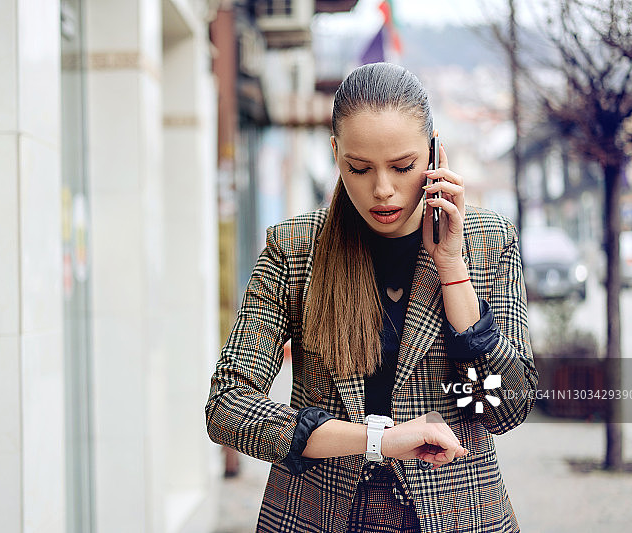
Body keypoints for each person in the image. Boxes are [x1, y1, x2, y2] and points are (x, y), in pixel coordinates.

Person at [205, 62, 538, 533]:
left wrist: (452, 269)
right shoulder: (295, 248)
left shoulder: (487, 242)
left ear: (434, 150)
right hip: (316, 515)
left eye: (403, 166)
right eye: (358, 168)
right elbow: (227, 408)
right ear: (335, 152)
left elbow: (507, 410)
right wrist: (378, 438)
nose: (383, 190)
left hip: (460, 516)